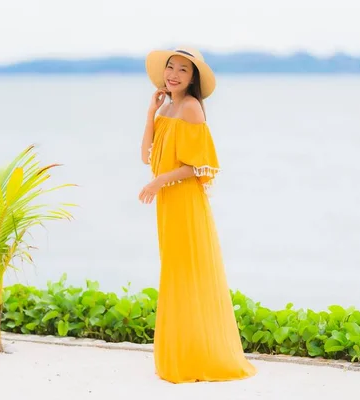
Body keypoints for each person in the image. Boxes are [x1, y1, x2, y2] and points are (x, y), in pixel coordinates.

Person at [138, 47, 257, 384]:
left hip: (185, 201)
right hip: (168, 203)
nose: (173, 74)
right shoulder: (168, 109)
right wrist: (151, 112)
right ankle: (182, 353)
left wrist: (160, 181)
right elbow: (146, 154)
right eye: (170, 68)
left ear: (193, 79)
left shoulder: (191, 109)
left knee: (188, 273)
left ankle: (197, 357)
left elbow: (199, 166)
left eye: (183, 71)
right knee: (175, 274)